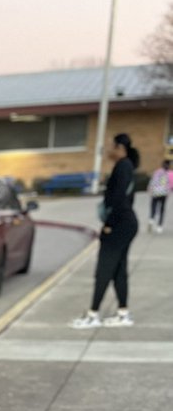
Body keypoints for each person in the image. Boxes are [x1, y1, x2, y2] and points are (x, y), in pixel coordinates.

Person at [71, 132, 140, 328]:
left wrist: (109, 224)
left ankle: (93, 314)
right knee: (118, 270)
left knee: (104, 269)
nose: (109, 150)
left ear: (120, 148)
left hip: (119, 224)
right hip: (126, 223)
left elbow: (118, 198)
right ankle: (123, 313)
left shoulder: (123, 166)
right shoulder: (127, 166)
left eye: (112, 146)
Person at [147, 158, 170, 233]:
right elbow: (169, 184)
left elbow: (153, 181)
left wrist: (150, 188)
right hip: (164, 193)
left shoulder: (157, 172)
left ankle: (151, 219)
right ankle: (159, 226)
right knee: (162, 209)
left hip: (156, 192)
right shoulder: (169, 174)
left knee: (153, 205)